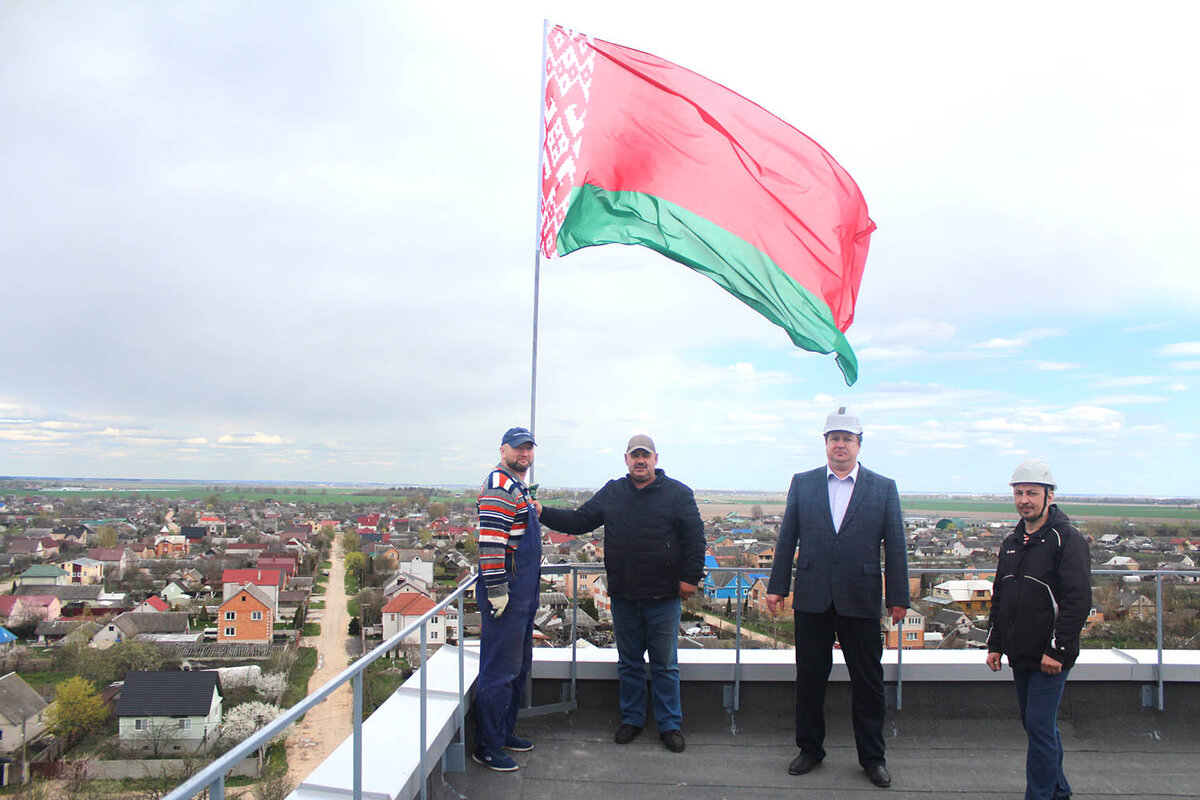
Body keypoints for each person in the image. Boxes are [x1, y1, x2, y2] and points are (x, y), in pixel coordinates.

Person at [766, 407, 909, 789]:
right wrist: (776, 585)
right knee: (810, 678)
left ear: (859, 444)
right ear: (825, 444)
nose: (840, 445)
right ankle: (810, 749)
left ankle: (873, 758)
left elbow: (895, 546)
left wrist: (898, 596)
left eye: (847, 438)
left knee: (868, 681)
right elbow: (786, 538)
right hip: (812, 597)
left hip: (860, 598)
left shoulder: (883, 488)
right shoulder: (804, 482)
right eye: (834, 438)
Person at [536, 434, 704, 753]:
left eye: (646, 455)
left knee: (665, 663)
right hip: (625, 594)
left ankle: (670, 725)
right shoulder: (613, 492)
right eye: (634, 455)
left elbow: (696, 539)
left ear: (656, 459)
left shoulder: (678, 494)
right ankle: (632, 720)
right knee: (628, 662)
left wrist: (689, 578)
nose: (640, 460)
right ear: (625, 459)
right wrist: (541, 510)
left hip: (664, 596)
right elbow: (579, 520)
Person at [986, 459, 1091, 800]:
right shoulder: (1013, 541)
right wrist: (995, 643)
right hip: (1021, 652)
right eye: (1018, 493)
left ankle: (1040, 796)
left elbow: (1077, 601)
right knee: (1036, 727)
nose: (1024, 500)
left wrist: (1057, 650)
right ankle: (1059, 790)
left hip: (1050, 656)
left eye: (1032, 492)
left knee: (1041, 730)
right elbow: (1001, 595)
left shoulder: (1067, 539)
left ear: (1049, 495)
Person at [472, 426, 542, 772]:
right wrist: (498, 591)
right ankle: (487, 745)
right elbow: (491, 545)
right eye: (518, 449)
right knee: (500, 670)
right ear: (503, 450)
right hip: (507, 593)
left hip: (522, 593)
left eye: (528, 449)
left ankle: (503, 732)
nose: (524, 454)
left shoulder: (517, 488)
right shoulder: (500, 487)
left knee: (517, 666)